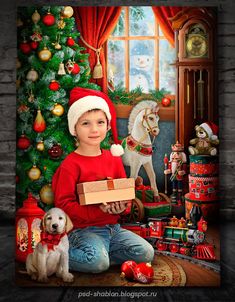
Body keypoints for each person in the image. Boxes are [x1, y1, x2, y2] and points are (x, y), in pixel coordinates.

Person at [52, 87, 154, 273]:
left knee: (146, 253)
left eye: (100, 122)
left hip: (112, 229)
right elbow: (64, 205)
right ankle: (58, 254)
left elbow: (125, 193)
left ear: (108, 126)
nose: (94, 129)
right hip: (83, 230)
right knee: (97, 263)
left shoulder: (114, 158)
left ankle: (101, 255)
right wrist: (96, 210)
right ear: (74, 128)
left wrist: (123, 206)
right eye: (85, 123)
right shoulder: (70, 165)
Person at [164, 141, 187, 205]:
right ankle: (174, 196)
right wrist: (168, 171)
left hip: (179, 177)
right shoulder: (171, 163)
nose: (175, 156)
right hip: (173, 176)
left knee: (180, 188)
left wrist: (182, 172)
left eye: (177, 155)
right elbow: (170, 168)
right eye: (173, 157)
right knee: (174, 186)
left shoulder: (182, 163)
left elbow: (185, 170)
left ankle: (180, 197)